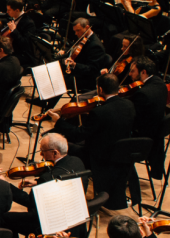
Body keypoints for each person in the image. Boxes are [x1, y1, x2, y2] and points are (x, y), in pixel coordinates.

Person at [3, 132, 88, 238]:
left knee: (5, 219)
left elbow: (30, 202)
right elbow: (64, 184)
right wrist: (38, 184)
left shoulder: (48, 178)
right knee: (39, 212)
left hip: (53, 230)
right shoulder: (77, 162)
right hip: (74, 222)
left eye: (43, 151)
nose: (41, 155)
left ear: (55, 153)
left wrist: (5, 185)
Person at [50, 74, 136, 209]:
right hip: (122, 154)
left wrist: (59, 122)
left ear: (100, 90)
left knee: (65, 147)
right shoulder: (129, 105)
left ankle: (64, 194)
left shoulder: (99, 112)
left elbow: (79, 135)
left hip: (99, 157)